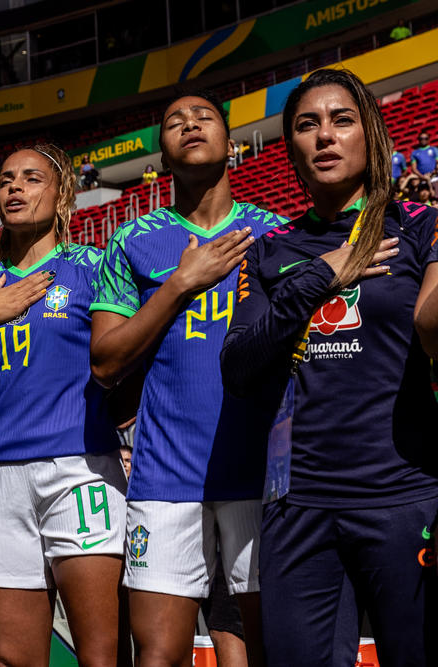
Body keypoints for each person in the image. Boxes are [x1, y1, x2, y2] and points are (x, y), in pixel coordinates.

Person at [221, 68, 438, 667]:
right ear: (289, 144)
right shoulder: (271, 250)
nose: (324, 136)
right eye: (306, 124)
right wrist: (323, 275)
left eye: (342, 120)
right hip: (299, 509)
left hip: (405, 498)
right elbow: (238, 369)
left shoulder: (418, 226)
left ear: (368, 134)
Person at [91, 89, 286, 667]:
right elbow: (104, 363)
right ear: (161, 156)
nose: (189, 125)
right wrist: (180, 283)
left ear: (233, 143)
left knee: (267, 647)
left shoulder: (274, 233)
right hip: (165, 475)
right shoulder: (130, 240)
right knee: (159, 655)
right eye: (174, 121)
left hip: (262, 471)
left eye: (204, 117)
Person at [0, 144, 129, 667]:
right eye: (6, 178)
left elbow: (126, 361)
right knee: (10, 659)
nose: (13, 187)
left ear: (61, 194)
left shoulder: (94, 267)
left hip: (80, 470)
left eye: (31, 178)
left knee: (100, 657)